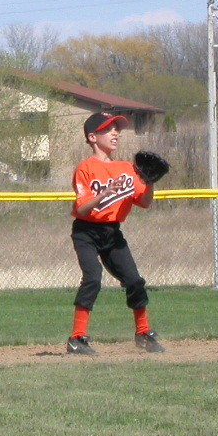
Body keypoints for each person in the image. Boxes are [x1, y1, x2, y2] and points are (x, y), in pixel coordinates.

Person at [65, 112, 164, 356]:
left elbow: (145, 202)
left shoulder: (126, 169)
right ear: (92, 137)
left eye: (117, 129)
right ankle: (77, 338)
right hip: (86, 232)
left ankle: (143, 333)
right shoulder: (86, 168)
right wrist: (105, 194)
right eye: (108, 130)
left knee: (135, 281)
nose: (115, 133)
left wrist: (150, 182)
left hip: (112, 234)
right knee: (93, 278)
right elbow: (82, 208)